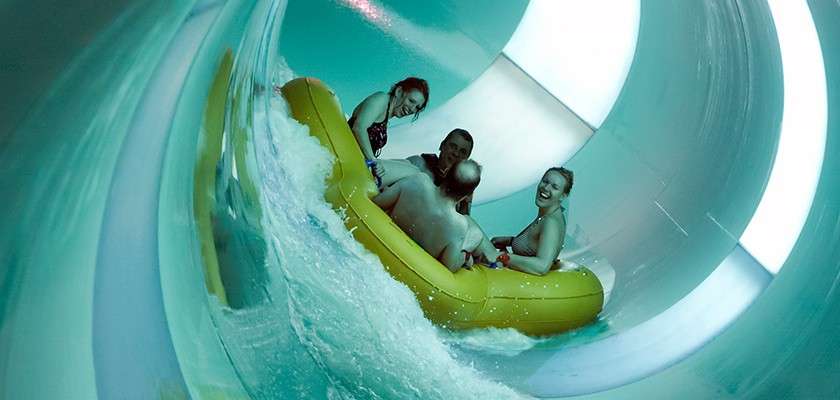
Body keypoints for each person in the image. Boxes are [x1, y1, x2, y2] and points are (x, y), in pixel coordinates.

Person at [372, 159, 495, 272]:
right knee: (476, 235)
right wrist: (465, 256)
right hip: (411, 270)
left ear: (446, 172)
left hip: (378, 248)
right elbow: (449, 266)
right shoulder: (458, 225)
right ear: (468, 195)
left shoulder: (418, 181)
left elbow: (377, 203)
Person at [490, 167, 574, 275]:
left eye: (554, 187)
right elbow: (534, 243)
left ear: (563, 195)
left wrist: (502, 257)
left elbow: (542, 266)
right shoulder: (547, 215)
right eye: (545, 181)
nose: (546, 188)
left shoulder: (551, 222)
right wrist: (510, 241)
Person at [348, 77, 430, 180]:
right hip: (350, 156)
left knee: (411, 165)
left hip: (360, 159)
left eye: (417, 107)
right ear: (399, 91)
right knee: (414, 171)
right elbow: (359, 127)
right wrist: (373, 161)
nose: (412, 109)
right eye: (411, 101)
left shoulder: (386, 115)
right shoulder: (381, 99)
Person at [407, 128, 474, 214]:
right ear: (442, 145)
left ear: (466, 160)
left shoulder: (460, 191)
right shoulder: (417, 164)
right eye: (453, 146)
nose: (456, 153)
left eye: (462, 152)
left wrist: (465, 202)